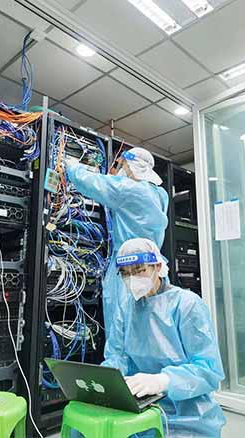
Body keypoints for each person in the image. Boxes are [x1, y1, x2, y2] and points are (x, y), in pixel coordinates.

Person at [64, 147, 169, 368]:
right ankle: (148, 378)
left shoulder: (130, 189)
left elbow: (92, 182)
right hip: (154, 269)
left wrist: (71, 166)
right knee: (149, 327)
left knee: (121, 329)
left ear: (131, 165)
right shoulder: (160, 194)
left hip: (130, 267)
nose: (121, 168)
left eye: (122, 164)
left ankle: (122, 380)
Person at [113, 238, 226, 437]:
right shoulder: (126, 308)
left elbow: (208, 370)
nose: (132, 279)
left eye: (139, 270)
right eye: (125, 273)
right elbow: (116, 356)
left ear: (157, 267)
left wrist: (164, 380)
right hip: (140, 406)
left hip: (187, 416)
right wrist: (107, 384)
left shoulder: (186, 304)